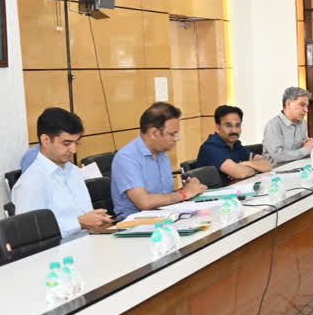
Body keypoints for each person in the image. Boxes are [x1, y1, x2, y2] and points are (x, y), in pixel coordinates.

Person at [12, 108, 113, 237]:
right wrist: (79, 223)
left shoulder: (74, 172)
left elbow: (85, 214)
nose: (73, 150)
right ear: (46, 140)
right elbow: (29, 233)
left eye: (76, 143)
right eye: (66, 143)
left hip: (88, 242)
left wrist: (98, 219)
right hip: (56, 253)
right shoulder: (31, 182)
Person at [111, 102, 207, 220]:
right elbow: (144, 202)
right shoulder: (126, 157)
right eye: (172, 134)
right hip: (136, 227)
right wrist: (184, 194)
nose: (177, 138)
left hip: (165, 218)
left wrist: (187, 189)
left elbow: (163, 195)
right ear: (154, 133)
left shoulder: (162, 154)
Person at [197, 105, 272, 186]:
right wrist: (257, 168)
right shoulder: (211, 147)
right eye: (228, 125)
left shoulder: (235, 144)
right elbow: (240, 173)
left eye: (238, 125)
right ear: (217, 128)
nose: (234, 130)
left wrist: (245, 164)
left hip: (236, 191)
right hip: (215, 197)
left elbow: (267, 165)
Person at [262, 87, 313, 165]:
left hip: (297, 168)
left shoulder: (302, 123)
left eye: (307, 106)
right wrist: (306, 150)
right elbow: (279, 156)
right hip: (276, 173)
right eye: (302, 105)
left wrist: (308, 143)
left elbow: (303, 147)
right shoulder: (273, 125)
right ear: (288, 104)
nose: (306, 110)